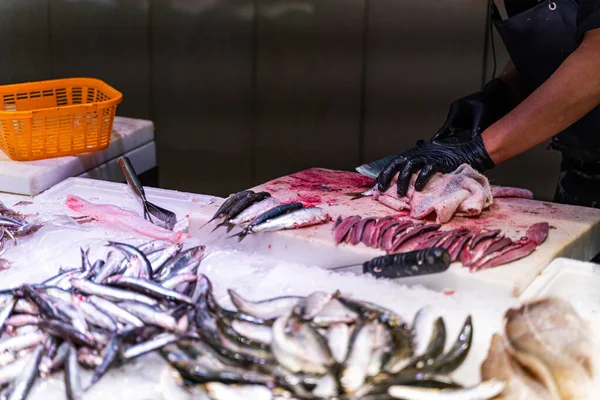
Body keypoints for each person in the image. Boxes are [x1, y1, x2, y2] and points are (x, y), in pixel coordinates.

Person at [374, 0, 600, 208]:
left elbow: (595, 59)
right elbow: (558, 43)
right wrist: (502, 93)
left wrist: (478, 151)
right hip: (580, 176)